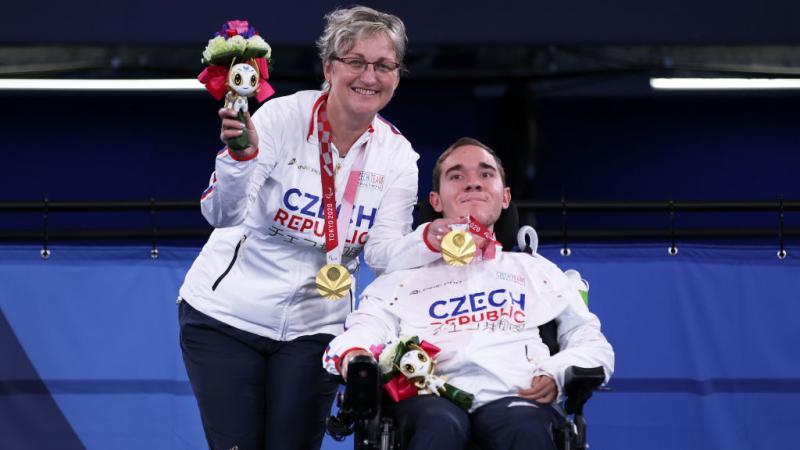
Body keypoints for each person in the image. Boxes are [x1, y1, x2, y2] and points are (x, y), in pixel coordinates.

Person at [178, 7, 442, 450]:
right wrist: (240, 158)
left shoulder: (398, 157)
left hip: (317, 327)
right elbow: (221, 215)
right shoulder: (281, 118)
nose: (369, 75)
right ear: (329, 68)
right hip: (225, 316)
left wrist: (428, 240)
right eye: (355, 61)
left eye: (383, 65)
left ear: (397, 76)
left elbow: (381, 254)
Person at [323, 137, 615, 450]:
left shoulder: (538, 272)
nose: (473, 183)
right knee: (439, 424)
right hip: (429, 399)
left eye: (486, 174)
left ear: (505, 197)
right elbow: (366, 328)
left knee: (526, 427)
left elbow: (591, 341)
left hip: (516, 396)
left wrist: (557, 372)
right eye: (457, 176)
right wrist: (355, 356)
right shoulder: (401, 278)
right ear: (435, 200)